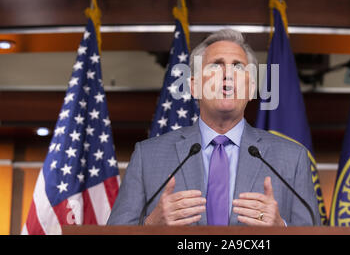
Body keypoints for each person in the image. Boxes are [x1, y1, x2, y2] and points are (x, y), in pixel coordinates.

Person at [107, 28, 320, 226]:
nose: (227, 74)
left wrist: (282, 229)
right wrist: (149, 226)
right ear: (194, 86)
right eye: (215, 65)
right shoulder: (148, 156)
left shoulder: (293, 158)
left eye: (238, 67)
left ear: (251, 88)